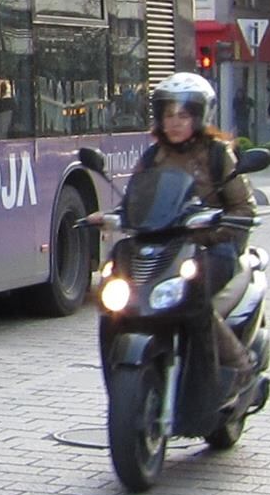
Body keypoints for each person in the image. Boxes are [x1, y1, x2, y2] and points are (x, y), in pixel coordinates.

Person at [97, 72, 257, 391]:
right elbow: (137, 199)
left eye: (183, 114)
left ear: (199, 116)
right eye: (168, 114)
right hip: (165, 248)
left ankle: (239, 365)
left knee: (194, 300)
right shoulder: (152, 156)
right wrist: (111, 215)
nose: (175, 122)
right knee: (116, 305)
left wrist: (217, 226)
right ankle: (123, 382)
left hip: (212, 248)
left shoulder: (217, 154)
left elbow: (244, 208)